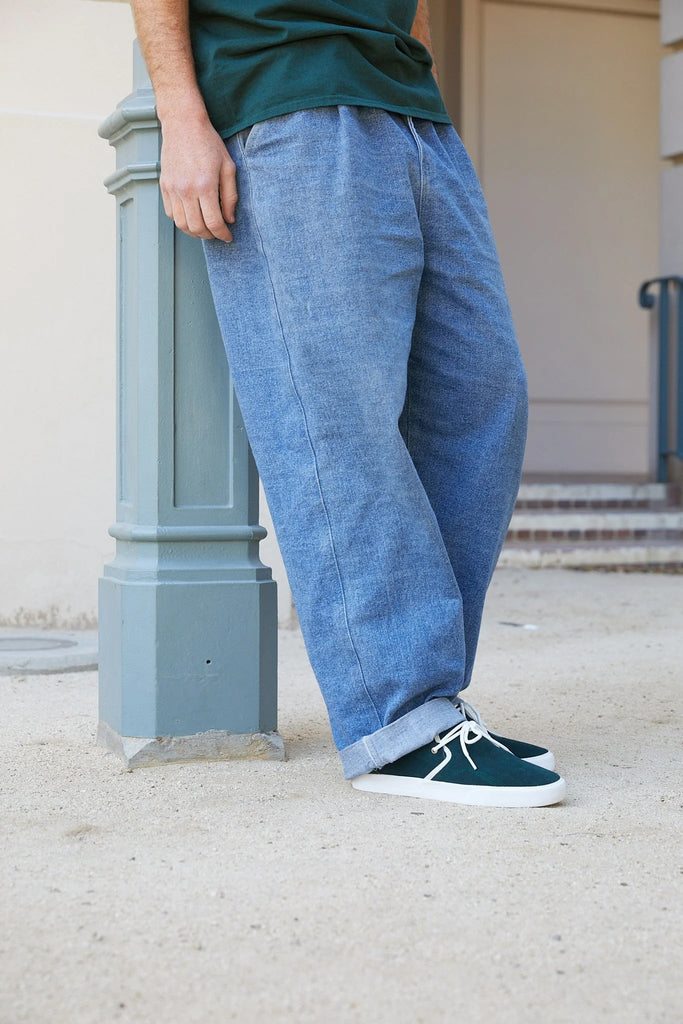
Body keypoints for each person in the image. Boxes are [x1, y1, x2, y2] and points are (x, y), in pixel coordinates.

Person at [130, 0, 566, 807]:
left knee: (480, 396)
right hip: (282, 98)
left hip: (414, 116)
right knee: (337, 420)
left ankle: (430, 700)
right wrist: (181, 115)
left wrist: (415, 66)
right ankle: (396, 718)